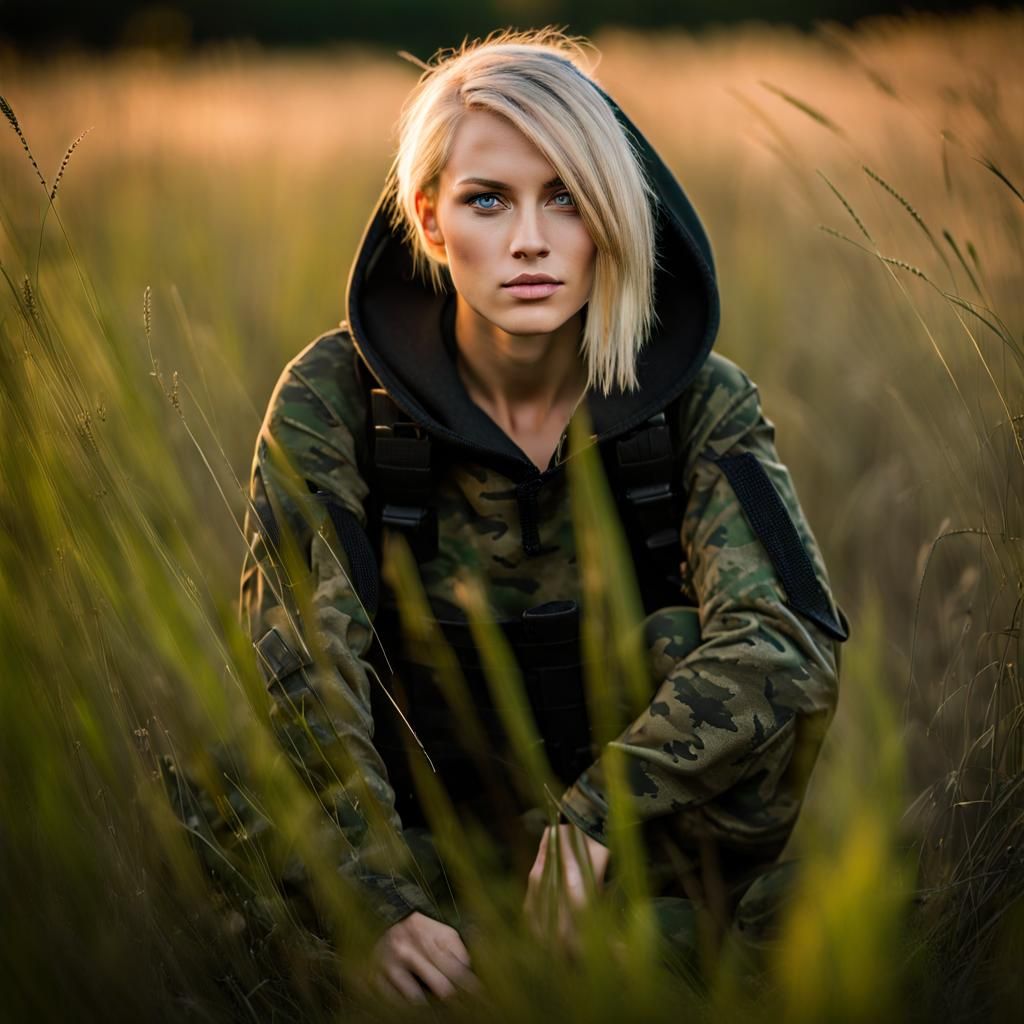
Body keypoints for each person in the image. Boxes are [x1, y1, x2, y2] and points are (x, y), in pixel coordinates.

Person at [238, 27, 848, 1006]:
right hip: (427, 842)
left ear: (610, 217)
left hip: (639, 856)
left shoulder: (697, 402)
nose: (530, 238)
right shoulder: (332, 401)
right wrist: (375, 897)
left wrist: (598, 813)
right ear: (431, 222)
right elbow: (305, 664)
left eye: (565, 196)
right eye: (490, 199)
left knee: (687, 646)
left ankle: (691, 945)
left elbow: (785, 644)